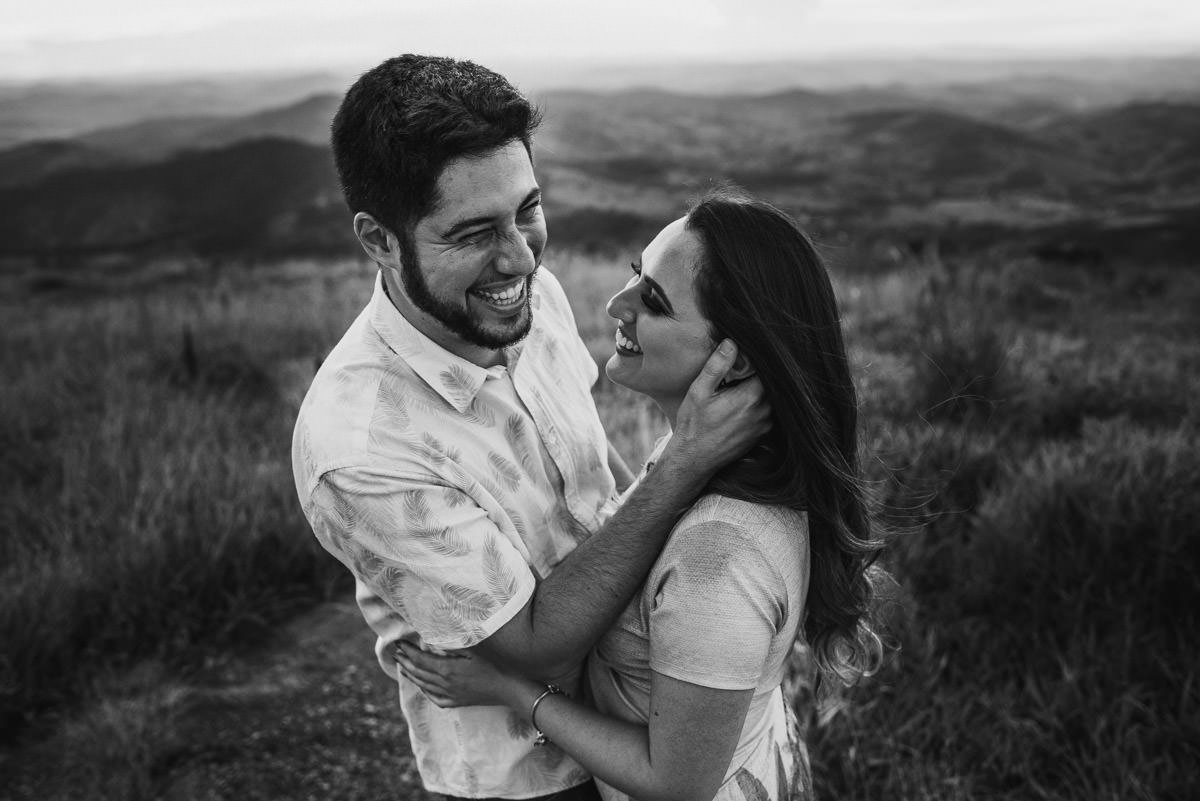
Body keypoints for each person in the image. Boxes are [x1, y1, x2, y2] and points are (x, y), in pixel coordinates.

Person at [291, 55, 769, 800]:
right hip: (532, 776)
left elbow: (595, 473)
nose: (519, 257)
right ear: (380, 240)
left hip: (641, 705)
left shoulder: (526, 296)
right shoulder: (359, 447)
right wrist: (684, 461)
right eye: (474, 232)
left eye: (527, 209)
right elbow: (534, 647)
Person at [395, 189, 890, 801]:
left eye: (653, 301)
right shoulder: (700, 455)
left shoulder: (721, 556)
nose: (615, 304)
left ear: (732, 363)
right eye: (637, 276)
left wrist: (512, 692)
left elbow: (677, 782)